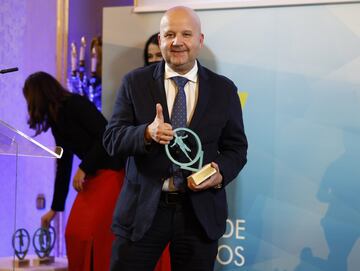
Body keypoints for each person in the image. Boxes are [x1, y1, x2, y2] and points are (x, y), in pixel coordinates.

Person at [104, 6, 248, 271]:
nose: (177, 41)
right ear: (160, 40)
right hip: (144, 210)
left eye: (186, 34)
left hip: (199, 213)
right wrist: (146, 133)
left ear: (200, 41)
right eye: (169, 34)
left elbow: (236, 148)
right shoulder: (135, 83)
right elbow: (112, 139)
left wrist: (220, 171)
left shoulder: (224, 90)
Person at [22, 71, 125, 271]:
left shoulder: (76, 104)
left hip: (112, 173)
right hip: (94, 177)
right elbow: (63, 162)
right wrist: (55, 208)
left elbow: (106, 135)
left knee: (91, 235)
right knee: (74, 234)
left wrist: (84, 167)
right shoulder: (56, 119)